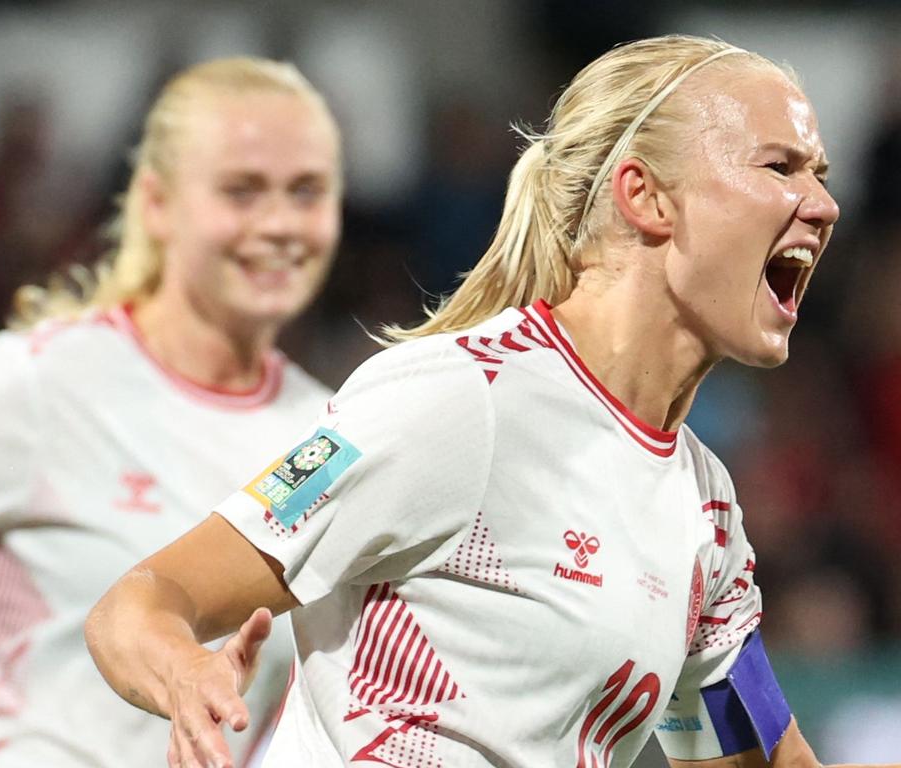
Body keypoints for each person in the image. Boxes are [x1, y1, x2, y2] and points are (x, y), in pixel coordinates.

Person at [84, 36, 888, 768]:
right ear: (646, 198)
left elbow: (755, 762)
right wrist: (185, 673)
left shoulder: (704, 509)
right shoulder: (459, 402)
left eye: (820, 174)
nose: (823, 204)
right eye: (780, 168)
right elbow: (142, 602)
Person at [0, 56, 342, 767]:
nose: (280, 224)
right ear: (156, 203)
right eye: (242, 191)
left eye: (307, 192)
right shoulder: (36, 384)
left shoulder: (327, 439)